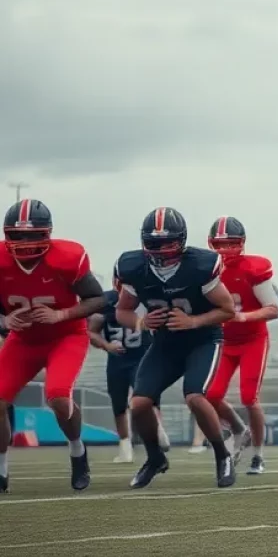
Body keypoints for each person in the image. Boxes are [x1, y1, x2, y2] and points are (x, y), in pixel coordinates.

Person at [115, 207, 238, 489]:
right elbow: (123, 310)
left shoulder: (199, 265)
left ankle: (223, 454)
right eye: (154, 244)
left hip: (204, 340)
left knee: (195, 397)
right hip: (166, 344)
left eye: (168, 243)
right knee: (139, 404)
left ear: (181, 241)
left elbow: (227, 309)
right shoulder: (134, 267)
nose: (161, 251)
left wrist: (194, 321)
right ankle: (155, 458)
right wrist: (142, 322)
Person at [0, 199, 106, 494]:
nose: (25, 243)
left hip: (65, 336)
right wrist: (5, 322)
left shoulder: (67, 257)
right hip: (23, 340)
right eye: (18, 236)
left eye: (33, 236)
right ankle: (1, 469)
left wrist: (61, 314)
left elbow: (97, 299)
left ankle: (77, 451)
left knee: (59, 397)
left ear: (47, 234)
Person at [204, 217, 278, 475]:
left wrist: (244, 316)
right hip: (223, 341)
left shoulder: (252, 269)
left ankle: (258, 455)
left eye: (231, 244)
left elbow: (273, 309)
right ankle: (238, 429)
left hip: (252, 339)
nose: (225, 250)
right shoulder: (205, 269)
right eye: (220, 244)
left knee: (249, 397)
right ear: (210, 244)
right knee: (210, 395)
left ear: (242, 243)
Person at [88, 273, 170, 463]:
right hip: (117, 359)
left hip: (144, 357)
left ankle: (158, 429)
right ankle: (125, 445)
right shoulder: (107, 300)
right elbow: (92, 331)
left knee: (147, 398)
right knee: (119, 404)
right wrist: (107, 346)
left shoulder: (148, 297)